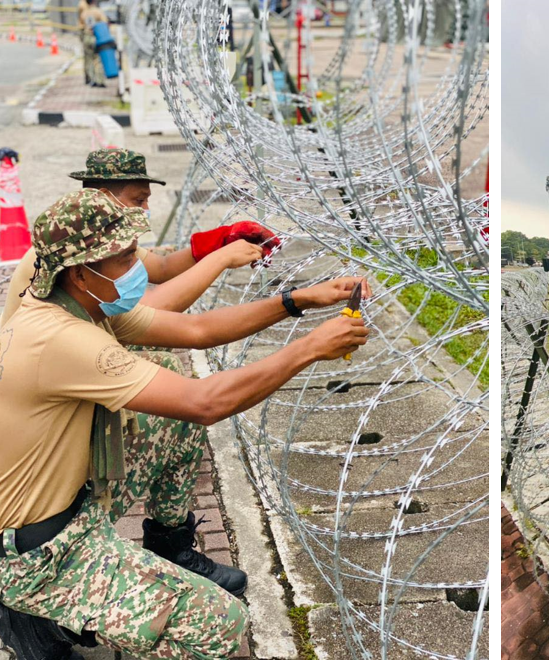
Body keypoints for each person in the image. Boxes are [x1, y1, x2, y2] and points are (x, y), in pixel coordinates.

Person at [0, 189, 370, 658]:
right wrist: (309, 349)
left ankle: (165, 550)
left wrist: (297, 300)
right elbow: (205, 401)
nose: (140, 266)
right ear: (80, 271)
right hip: (35, 552)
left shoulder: (80, 303)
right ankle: (36, 605)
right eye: (126, 256)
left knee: (170, 422)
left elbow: (198, 330)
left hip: (66, 504)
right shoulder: (60, 338)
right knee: (219, 623)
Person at [2, 147, 276, 327]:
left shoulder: (100, 235)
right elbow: (157, 310)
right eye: (139, 200)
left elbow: (163, 268)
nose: (146, 209)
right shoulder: (76, 244)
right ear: (104, 199)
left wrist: (221, 238)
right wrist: (222, 258)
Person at [79, 0, 109, 88]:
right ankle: (100, 80)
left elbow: (80, 27)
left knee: (89, 60)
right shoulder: (98, 12)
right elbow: (105, 23)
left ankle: (92, 80)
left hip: (87, 37)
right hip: (97, 37)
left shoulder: (83, 13)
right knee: (98, 59)